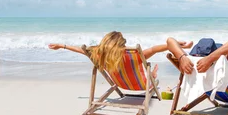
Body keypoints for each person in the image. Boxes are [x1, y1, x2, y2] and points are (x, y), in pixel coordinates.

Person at [49, 31, 193, 79]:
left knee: (146, 70)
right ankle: (152, 76)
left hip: (122, 84)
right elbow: (158, 48)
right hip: (141, 85)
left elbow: (82, 50)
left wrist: (62, 45)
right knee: (148, 71)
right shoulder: (135, 55)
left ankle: (152, 75)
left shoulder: (99, 56)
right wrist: (180, 45)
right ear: (122, 45)